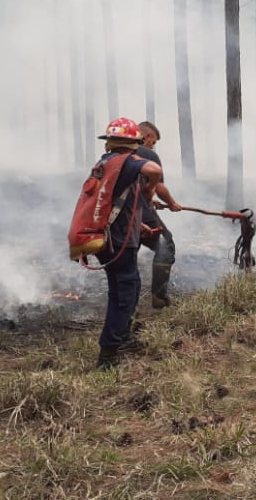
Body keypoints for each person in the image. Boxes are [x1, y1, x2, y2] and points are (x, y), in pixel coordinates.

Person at [94, 118, 162, 370]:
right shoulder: (126, 161)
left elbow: (117, 203)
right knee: (124, 293)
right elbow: (154, 171)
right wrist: (150, 191)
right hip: (119, 240)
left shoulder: (105, 162)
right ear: (133, 142)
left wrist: (138, 225)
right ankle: (109, 354)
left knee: (127, 289)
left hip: (113, 235)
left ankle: (122, 337)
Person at [136, 121, 182, 308]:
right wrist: (172, 203)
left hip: (117, 215)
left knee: (130, 250)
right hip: (138, 212)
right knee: (166, 244)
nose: (153, 146)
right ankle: (159, 297)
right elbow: (159, 186)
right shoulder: (147, 154)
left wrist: (149, 199)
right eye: (153, 141)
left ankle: (128, 304)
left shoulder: (116, 155)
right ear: (146, 137)